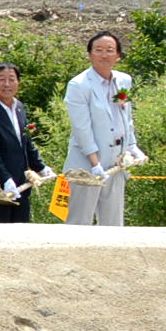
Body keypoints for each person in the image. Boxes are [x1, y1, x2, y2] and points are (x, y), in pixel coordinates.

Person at [64, 31, 142, 227]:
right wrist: (94, 162)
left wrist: (132, 147)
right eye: (98, 50)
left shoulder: (124, 80)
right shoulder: (79, 85)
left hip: (116, 160)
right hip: (87, 161)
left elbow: (126, 117)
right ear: (90, 54)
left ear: (118, 55)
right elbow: (82, 128)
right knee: (80, 220)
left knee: (113, 222)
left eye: (110, 50)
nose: (104, 55)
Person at [0, 62, 48, 223]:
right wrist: (6, 180)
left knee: (19, 234)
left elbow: (26, 142)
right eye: (2, 79)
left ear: (18, 82)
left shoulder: (19, 108)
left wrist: (41, 167)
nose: (7, 84)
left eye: (12, 79)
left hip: (21, 185)